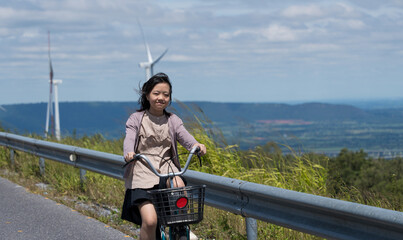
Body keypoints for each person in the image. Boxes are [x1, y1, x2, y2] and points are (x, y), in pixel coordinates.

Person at [121, 72, 207, 240]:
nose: (161, 98)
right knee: (150, 221)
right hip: (143, 172)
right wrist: (129, 152)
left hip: (167, 168)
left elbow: (186, 138)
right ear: (147, 95)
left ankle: (180, 226)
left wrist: (197, 145)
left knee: (178, 183)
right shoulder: (136, 119)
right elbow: (129, 138)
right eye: (156, 93)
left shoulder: (173, 120)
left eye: (166, 95)